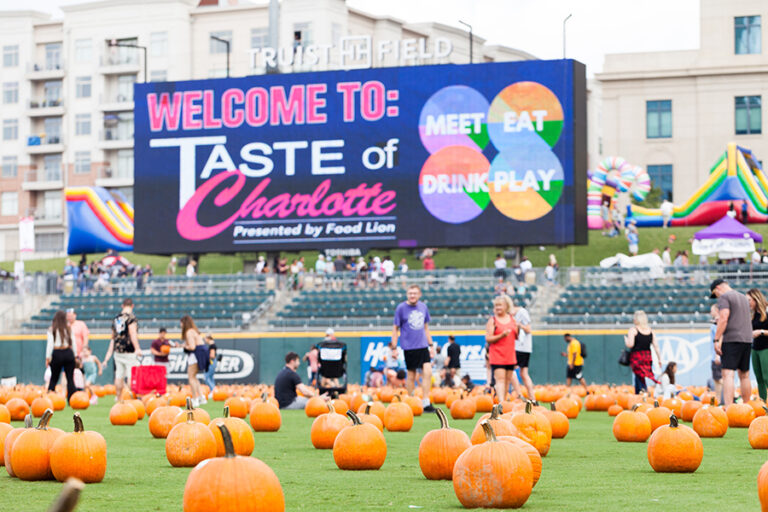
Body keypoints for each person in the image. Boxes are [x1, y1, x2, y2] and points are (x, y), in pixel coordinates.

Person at [392, 284, 435, 412]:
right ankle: (411, 401)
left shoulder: (423, 307)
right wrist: (394, 347)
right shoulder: (401, 308)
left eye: (415, 293)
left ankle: (426, 402)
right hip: (409, 347)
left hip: (423, 345)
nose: (412, 295)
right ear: (407, 294)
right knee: (411, 375)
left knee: (428, 372)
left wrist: (431, 345)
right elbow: (395, 329)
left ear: (419, 294)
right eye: (410, 293)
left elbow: (426, 328)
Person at [711, 279, 752, 406]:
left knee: (728, 374)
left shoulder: (724, 297)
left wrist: (716, 339)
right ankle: (747, 407)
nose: (716, 297)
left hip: (732, 338)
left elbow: (723, 318)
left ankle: (729, 408)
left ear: (718, 288)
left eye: (715, 294)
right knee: (744, 374)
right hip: (747, 338)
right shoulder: (743, 297)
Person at [102, 298, 142, 401]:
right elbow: (133, 334)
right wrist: (137, 348)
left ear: (122, 306)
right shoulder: (131, 318)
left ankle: (119, 398)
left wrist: (107, 356)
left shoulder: (116, 319)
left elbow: (112, 338)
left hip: (118, 351)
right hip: (129, 350)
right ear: (132, 306)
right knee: (131, 375)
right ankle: (131, 397)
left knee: (119, 375)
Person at [486, 294, 522, 401]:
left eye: (500, 305)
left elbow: (516, 336)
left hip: (510, 355)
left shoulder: (512, 320)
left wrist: (518, 328)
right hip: (497, 354)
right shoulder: (492, 320)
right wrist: (501, 335)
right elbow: (488, 338)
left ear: (506, 306)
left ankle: (504, 401)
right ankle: (501, 402)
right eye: (496, 306)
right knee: (500, 380)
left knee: (507, 380)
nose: (498, 308)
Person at [624, 310, 662, 394]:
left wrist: (626, 340)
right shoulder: (650, 331)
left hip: (637, 356)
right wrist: (659, 359)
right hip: (647, 357)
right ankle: (639, 393)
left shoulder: (633, 330)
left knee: (639, 376)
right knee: (640, 376)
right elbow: (656, 346)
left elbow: (630, 344)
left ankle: (642, 393)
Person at [46, 310, 77, 400]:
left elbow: (50, 345)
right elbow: (73, 343)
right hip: (68, 352)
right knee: (70, 378)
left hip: (57, 353)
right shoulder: (68, 328)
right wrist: (75, 356)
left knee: (54, 378)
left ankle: (49, 398)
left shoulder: (52, 329)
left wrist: (48, 358)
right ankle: (72, 399)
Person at [180, 315, 207, 406]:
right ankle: (201, 397)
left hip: (195, 355)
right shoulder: (194, 331)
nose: (180, 325)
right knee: (194, 377)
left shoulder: (189, 332)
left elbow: (192, 347)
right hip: (199, 354)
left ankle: (195, 398)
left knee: (191, 377)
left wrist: (184, 346)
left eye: (181, 323)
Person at [513, 298, 535, 400]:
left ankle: (519, 395)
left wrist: (519, 325)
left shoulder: (522, 312)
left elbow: (528, 329)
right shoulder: (518, 314)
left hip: (520, 347)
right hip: (523, 347)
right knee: (523, 373)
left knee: (510, 371)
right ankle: (532, 398)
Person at [748, 288, 768, 401]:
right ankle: (763, 403)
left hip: (766, 348)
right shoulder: (753, 314)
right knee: (759, 378)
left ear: (756, 299)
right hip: (755, 349)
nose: (748, 303)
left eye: (749, 300)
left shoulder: (767, 311)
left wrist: (760, 332)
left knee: (767, 377)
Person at [709, 304, 723, 402]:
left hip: (717, 355)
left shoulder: (719, 323)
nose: (710, 312)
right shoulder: (715, 323)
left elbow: (720, 338)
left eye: (712, 310)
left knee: (721, 379)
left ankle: (734, 394)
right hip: (714, 355)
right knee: (716, 379)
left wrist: (717, 355)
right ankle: (718, 399)